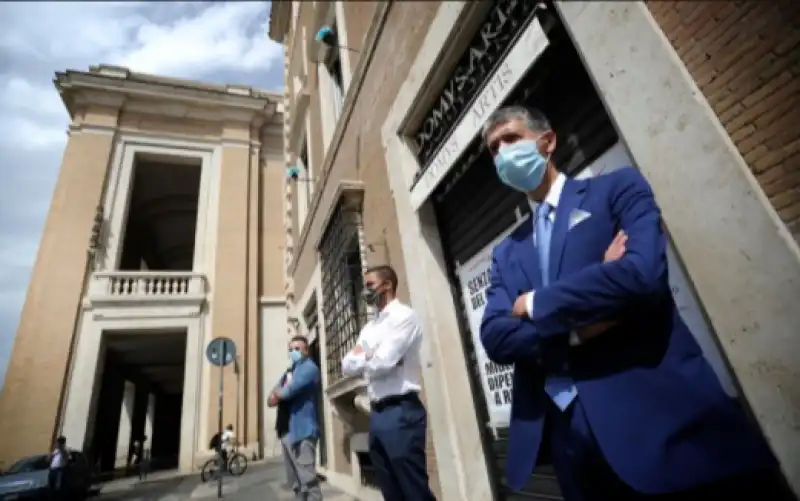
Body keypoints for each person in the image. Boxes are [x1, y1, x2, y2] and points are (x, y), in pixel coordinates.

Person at [479, 105, 790, 501]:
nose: (503, 152)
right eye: (493, 148)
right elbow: (495, 336)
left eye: (511, 139)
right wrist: (580, 326)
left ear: (548, 142)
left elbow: (641, 275)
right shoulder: (507, 252)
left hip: (663, 431)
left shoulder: (617, 190)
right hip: (570, 446)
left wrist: (536, 303)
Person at [341, 265, 437, 501]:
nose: (365, 291)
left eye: (370, 285)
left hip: (402, 412)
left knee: (413, 489)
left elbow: (384, 361)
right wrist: (371, 356)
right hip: (377, 414)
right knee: (390, 490)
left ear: (387, 285)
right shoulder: (369, 327)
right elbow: (346, 365)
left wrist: (368, 356)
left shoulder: (404, 317)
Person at [268, 335, 323, 501]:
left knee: (309, 481)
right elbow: (270, 399)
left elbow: (287, 392)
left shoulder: (309, 368)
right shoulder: (289, 372)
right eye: (291, 349)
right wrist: (276, 395)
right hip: (286, 431)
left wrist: (278, 394)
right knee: (296, 484)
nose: (293, 352)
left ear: (306, 350)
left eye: (297, 349)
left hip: (302, 432)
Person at [274, 365, 295, 490]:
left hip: (290, 427)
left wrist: (278, 393)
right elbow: (273, 396)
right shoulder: (283, 383)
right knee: (288, 461)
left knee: (295, 461)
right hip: (282, 427)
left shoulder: (292, 387)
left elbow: (279, 394)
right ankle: (291, 483)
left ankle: (298, 485)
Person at [48, 436, 68, 500]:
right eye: (57, 442)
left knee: (57, 488)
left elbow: (64, 455)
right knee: (50, 487)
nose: (56, 444)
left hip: (59, 471)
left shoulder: (65, 451)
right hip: (52, 470)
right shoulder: (55, 451)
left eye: (58, 443)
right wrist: (52, 453)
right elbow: (48, 459)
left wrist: (60, 447)